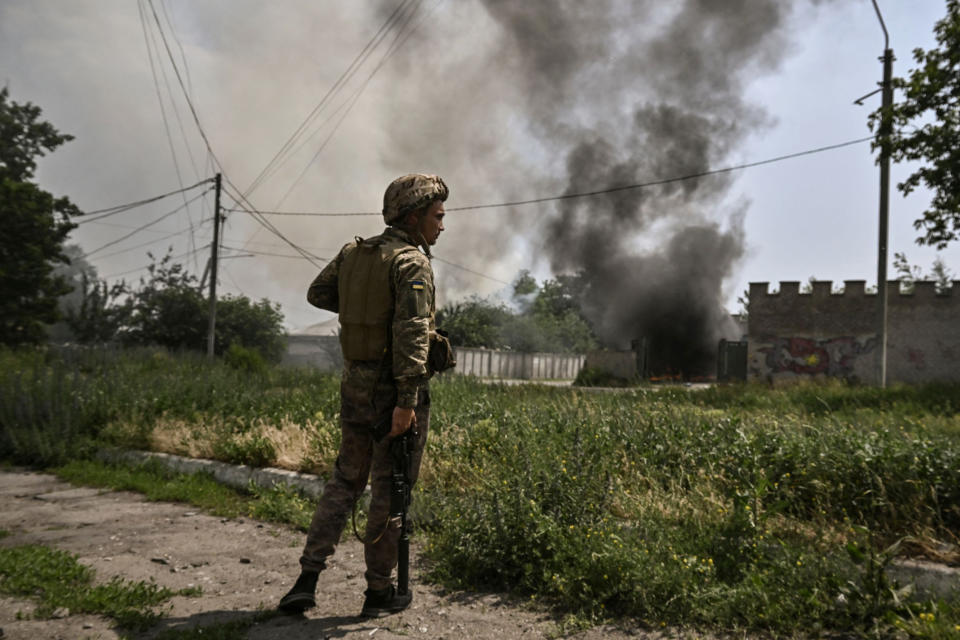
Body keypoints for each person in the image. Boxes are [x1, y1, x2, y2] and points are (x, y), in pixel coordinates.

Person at [278, 173, 450, 618]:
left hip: (354, 388)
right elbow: (413, 335)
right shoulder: (411, 262)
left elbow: (318, 293)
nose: (442, 226)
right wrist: (407, 403)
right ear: (414, 217)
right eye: (437, 216)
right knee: (389, 492)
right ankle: (378, 591)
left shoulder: (355, 253)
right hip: (393, 394)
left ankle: (307, 577)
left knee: (344, 481)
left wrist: (366, 307)